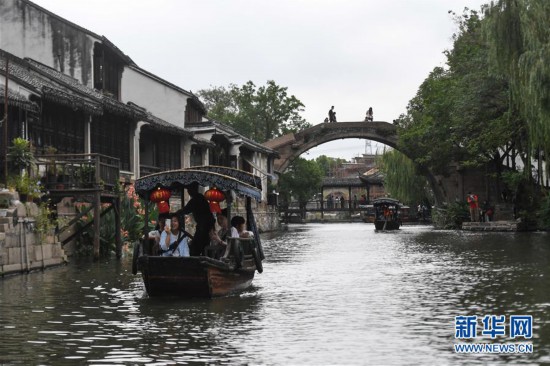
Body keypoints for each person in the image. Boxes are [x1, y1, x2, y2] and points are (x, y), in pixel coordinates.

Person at [176, 182, 216, 256]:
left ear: (194, 189)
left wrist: (176, 214)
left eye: (189, 189)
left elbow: (186, 210)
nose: (188, 191)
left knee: (195, 249)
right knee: (198, 246)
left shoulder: (197, 198)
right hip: (204, 227)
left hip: (204, 228)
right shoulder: (199, 198)